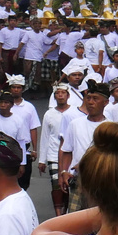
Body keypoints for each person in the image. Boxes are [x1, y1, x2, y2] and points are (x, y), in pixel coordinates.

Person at [58, 81, 111, 212]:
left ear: (105, 102)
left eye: (95, 99)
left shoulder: (111, 127)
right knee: (76, 220)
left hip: (102, 180)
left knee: (99, 221)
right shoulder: (75, 124)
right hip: (78, 179)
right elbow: (66, 151)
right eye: (88, 98)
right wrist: (64, 172)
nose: (90, 102)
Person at [38, 85, 82, 217]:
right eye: (58, 93)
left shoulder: (75, 113)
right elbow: (45, 136)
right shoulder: (49, 114)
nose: (61, 95)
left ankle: (66, 212)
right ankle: (58, 213)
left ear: (68, 96)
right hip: (53, 154)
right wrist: (42, 160)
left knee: (69, 184)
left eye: (64, 93)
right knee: (56, 183)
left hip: (70, 154)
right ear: (54, 96)